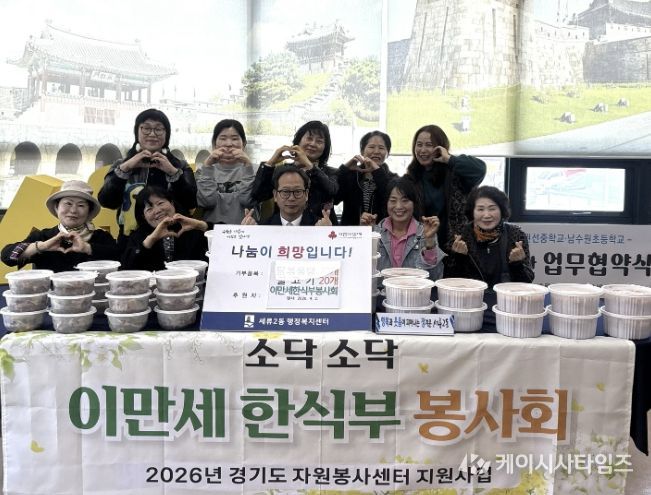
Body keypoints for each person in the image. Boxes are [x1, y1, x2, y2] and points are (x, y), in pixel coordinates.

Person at [98, 108, 197, 243]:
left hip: (172, 236)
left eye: (158, 129)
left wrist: (172, 173)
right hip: (131, 240)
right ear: (137, 132)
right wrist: (125, 168)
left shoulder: (180, 166)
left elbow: (191, 203)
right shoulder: (121, 165)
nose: (152, 134)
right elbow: (107, 202)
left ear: (166, 134)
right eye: (146, 128)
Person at [444, 186, 534, 329]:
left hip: (507, 309)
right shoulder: (461, 235)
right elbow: (449, 281)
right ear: (472, 212)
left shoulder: (516, 235)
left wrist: (517, 264)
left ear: (502, 210)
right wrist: (459, 257)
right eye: (480, 209)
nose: (486, 215)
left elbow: (527, 282)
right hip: (469, 309)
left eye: (492, 209)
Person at [1, 180, 118, 272]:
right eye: (68, 203)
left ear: (89, 212)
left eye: (81, 205)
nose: (73, 210)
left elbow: (119, 257)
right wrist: (43, 246)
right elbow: (7, 257)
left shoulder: (101, 237)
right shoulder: (43, 236)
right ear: (57, 208)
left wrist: (87, 248)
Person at [405, 124, 486, 251]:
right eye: (419, 144)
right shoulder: (412, 177)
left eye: (429, 145)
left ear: (440, 147)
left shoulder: (455, 172)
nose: (422, 150)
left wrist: (449, 159)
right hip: (424, 245)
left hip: (457, 245)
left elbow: (480, 169)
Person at [250, 120, 338, 224]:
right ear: (298, 141)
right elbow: (258, 195)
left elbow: (332, 191)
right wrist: (270, 163)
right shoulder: (282, 171)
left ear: (325, 147)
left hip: (322, 227)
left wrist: (309, 165)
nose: (313, 144)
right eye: (309, 138)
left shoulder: (331, 173)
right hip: (285, 227)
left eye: (319, 141)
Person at [361, 177, 445, 281]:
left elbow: (434, 278)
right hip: (382, 291)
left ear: (414, 203)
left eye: (405, 200)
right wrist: (364, 235)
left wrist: (430, 242)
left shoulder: (426, 233)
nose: (399, 206)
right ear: (387, 203)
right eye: (393, 201)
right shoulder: (376, 232)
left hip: (413, 290)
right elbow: (362, 272)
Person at [121, 186, 208, 271]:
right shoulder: (138, 237)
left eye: (160, 203)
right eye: (149, 209)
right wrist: (151, 239)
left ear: (172, 203)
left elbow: (213, 256)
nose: (157, 210)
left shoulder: (190, 227)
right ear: (144, 217)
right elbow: (127, 270)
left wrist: (201, 226)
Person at [196, 119, 257, 224]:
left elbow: (247, 201)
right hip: (212, 230)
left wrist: (247, 166)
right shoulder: (203, 170)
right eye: (223, 138)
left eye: (235, 138)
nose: (229, 144)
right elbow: (207, 202)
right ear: (214, 143)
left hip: (246, 230)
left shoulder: (255, 170)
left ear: (244, 143)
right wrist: (207, 166)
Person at [335, 130, 397, 226]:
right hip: (351, 232)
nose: (376, 151)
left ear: (387, 153)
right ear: (362, 151)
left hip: (381, 231)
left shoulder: (393, 179)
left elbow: (390, 198)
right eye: (371, 147)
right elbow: (335, 199)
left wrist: (377, 171)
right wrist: (344, 169)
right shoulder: (351, 176)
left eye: (381, 148)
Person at [241, 165, 331, 226]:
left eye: (297, 191)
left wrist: (325, 236)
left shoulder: (320, 227)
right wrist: (248, 235)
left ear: (306, 194)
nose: (291, 198)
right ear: (275, 195)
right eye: (285, 191)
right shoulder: (263, 228)